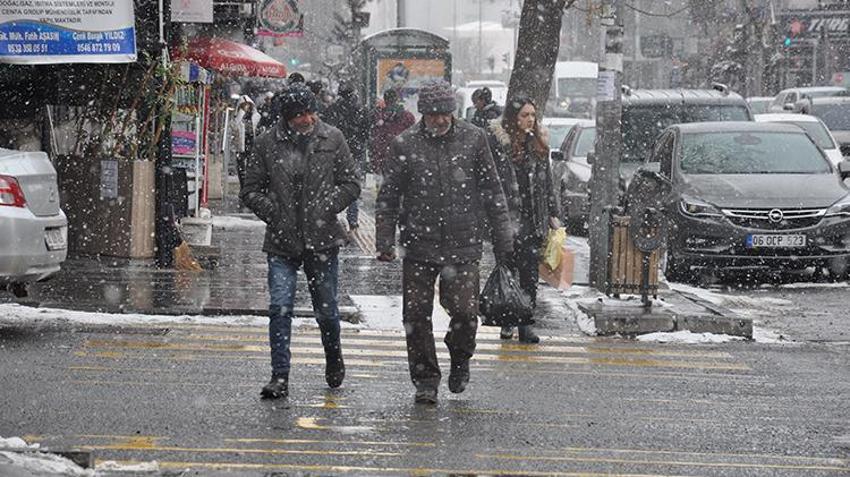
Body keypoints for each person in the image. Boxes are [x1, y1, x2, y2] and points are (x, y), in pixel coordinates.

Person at [375, 80, 514, 405]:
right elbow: (389, 197)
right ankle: (425, 379)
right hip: (418, 244)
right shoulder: (405, 144)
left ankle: (461, 355)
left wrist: (503, 237)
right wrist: (384, 240)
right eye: (433, 114)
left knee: (466, 312)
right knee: (415, 315)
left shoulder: (474, 139)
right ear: (423, 113)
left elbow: (492, 191)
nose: (439, 120)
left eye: (444, 113)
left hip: (463, 244)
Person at [240, 84, 361, 399]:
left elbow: (351, 183)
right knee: (280, 308)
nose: (306, 119)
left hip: (322, 240)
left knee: (327, 310)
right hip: (282, 242)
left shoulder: (332, 138)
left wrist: (327, 206)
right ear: (285, 117)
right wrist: (275, 214)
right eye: (298, 115)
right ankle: (280, 375)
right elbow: (250, 189)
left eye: (310, 112)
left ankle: (333, 357)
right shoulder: (268, 143)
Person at [486, 94, 562, 344]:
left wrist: (553, 213)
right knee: (507, 271)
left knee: (529, 274)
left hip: (532, 219)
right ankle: (507, 319)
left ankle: (525, 324)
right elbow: (489, 182)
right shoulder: (498, 144)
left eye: (533, 115)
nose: (530, 120)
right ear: (513, 118)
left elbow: (548, 181)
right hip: (506, 220)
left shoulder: (539, 143)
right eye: (524, 115)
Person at [323, 82, 370, 234]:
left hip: (335, 151)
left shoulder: (333, 109)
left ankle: (331, 218)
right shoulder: (361, 110)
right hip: (355, 152)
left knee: (331, 185)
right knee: (353, 185)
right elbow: (366, 131)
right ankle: (353, 222)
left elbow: (327, 130)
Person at [370, 88, 415, 175]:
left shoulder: (378, 116)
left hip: (383, 158)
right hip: (402, 157)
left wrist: (375, 164)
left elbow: (375, 141)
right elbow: (414, 136)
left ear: (385, 100)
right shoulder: (407, 116)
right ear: (397, 99)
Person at [232, 95, 261, 187]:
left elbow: (258, 129)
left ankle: (249, 186)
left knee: (251, 167)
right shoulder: (237, 117)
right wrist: (241, 113)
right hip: (240, 145)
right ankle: (243, 185)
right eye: (244, 105)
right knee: (241, 167)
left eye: (248, 105)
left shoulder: (256, 116)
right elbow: (234, 127)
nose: (246, 107)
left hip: (251, 143)